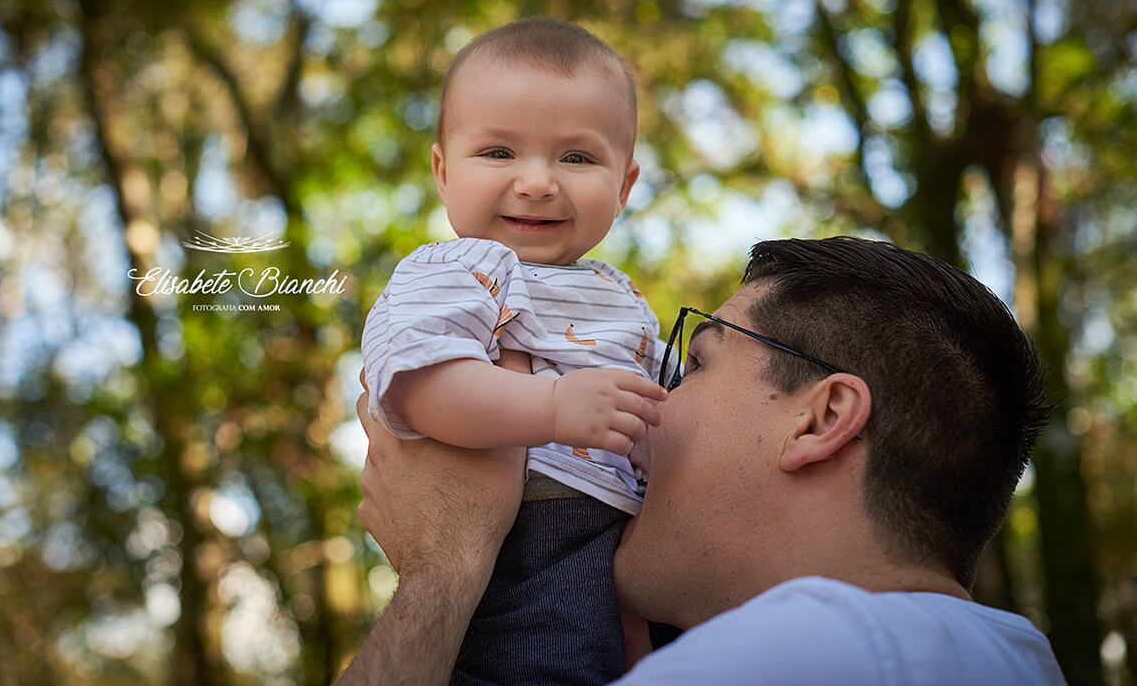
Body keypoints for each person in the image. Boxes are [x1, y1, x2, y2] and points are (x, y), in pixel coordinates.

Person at [340, 236, 1069, 686]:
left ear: (820, 418)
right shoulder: (1014, 656)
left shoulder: (795, 657)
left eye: (692, 364)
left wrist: (445, 568)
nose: (644, 409)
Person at [359, 16, 667, 685]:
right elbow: (423, 385)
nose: (536, 181)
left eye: (576, 157)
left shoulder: (618, 292)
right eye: (499, 152)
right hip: (526, 532)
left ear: (624, 185)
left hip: (622, 541)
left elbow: (666, 396)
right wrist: (552, 405)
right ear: (443, 171)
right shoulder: (460, 267)